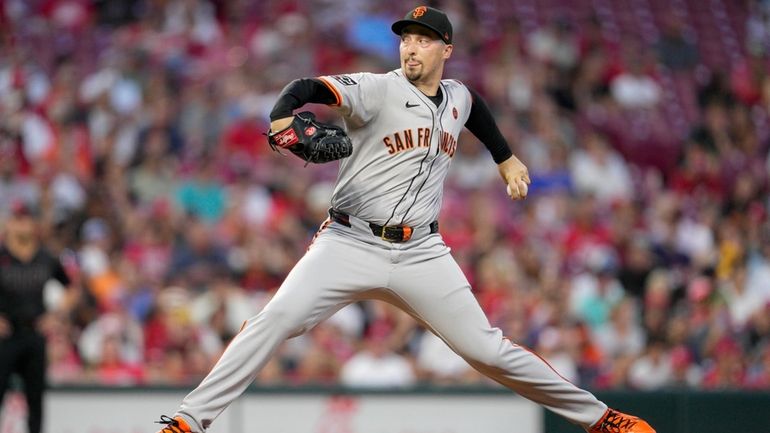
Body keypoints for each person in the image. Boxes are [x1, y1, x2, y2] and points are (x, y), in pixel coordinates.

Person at [155, 6, 655, 433]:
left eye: (423, 41)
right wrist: (283, 114)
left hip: (421, 252)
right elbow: (308, 87)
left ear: (446, 50)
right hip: (349, 242)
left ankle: (601, 420)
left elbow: (473, 107)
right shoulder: (377, 89)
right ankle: (187, 421)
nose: (411, 49)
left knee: (488, 351)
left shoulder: (456, 95)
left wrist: (505, 156)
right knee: (275, 320)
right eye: (407, 40)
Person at [0, 202, 79, 433]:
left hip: (34, 333)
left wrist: (56, 316)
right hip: (6, 336)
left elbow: (72, 287)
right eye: (17, 219)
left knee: (36, 399)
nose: (21, 226)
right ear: (9, 224)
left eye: (25, 219)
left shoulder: (45, 257)